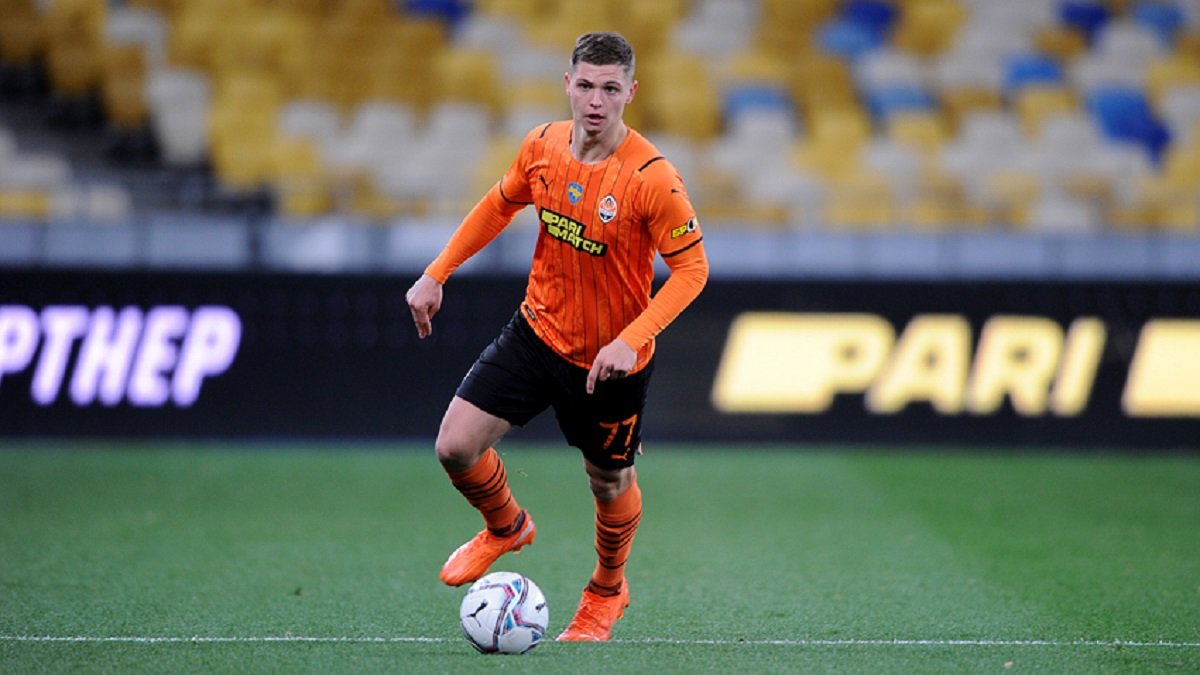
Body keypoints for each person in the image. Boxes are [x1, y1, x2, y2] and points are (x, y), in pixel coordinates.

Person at [405, 31, 708, 642]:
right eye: (586, 85)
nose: (596, 101)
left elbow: (693, 271)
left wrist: (630, 339)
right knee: (454, 446)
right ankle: (506, 526)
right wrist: (438, 272)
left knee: (608, 482)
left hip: (611, 361)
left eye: (610, 89)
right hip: (537, 331)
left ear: (631, 92)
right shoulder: (541, 146)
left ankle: (607, 590)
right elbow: (499, 203)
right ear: (568, 84)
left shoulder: (654, 179)